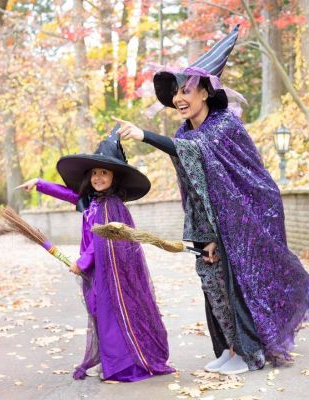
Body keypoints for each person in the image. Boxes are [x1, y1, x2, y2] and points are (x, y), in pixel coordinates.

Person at [112, 25, 309, 375]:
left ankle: (250, 353)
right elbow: (191, 175)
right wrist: (207, 232)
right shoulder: (184, 131)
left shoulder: (222, 125)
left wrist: (145, 135)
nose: (179, 98)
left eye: (186, 90)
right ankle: (228, 348)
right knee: (212, 284)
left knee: (237, 282)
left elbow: (196, 154)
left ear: (205, 91)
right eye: (176, 93)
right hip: (210, 218)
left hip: (244, 216)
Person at [17, 125, 174, 382]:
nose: (98, 177)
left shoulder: (111, 205)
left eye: (105, 172)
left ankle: (123, 367)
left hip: (110, 272)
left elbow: (102, 239)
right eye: (95, 173)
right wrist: (40, 184)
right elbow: (71, 195)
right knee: (103, 313)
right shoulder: (95, 200)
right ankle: (118, 362)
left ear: (115, 177)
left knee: (113, 313)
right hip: (99, 269)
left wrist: (82, 261)